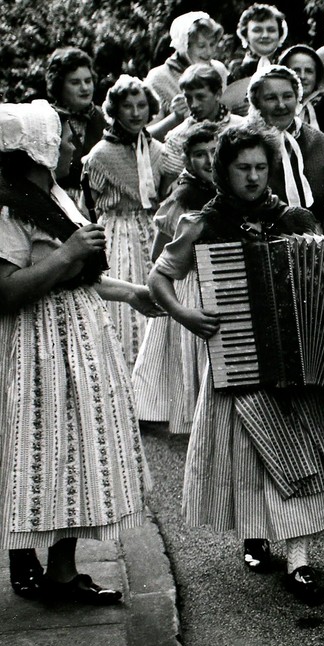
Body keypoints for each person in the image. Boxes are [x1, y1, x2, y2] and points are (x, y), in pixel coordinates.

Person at [147, 124, 324, 606]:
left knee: (301, 453)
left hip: (298, 360)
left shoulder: (291, 218)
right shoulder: (203, 223)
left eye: (261, 167)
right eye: (243, 168)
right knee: (251, 455)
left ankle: (299, 559)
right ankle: (254, 535)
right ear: (224, 170)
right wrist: (184, 313)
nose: (253, 177)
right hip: (238, 357)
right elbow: (160, 278)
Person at [0, 100, 154, 605]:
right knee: (41, 453)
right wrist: (66, 254)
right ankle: (32, 563)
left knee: (73, 457)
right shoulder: (8, 208)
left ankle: (63, 575)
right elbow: (6, 290)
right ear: (36, 151)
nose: (71, 146)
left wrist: (131, 291)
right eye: (62, 139)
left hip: (79, 342)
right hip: (37, 347)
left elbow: (80, 277)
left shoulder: (58, 195)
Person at [132, 122, 219, 434]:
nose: (209, 160)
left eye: (215, 151)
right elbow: (160, 254)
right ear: (188, 162)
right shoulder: (183, 197)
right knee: (184, 354)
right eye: (200, 155)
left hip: (219, 278)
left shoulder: (228, 190)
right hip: (188, 281)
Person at [82, 75, 165, 367]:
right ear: (115, 110)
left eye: (141, 105)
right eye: (127, 106)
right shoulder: (101, 154)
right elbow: (85, 206)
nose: (135, 112)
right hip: (116, 232)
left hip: (151, 229)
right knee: (124, 303)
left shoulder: (157, 150)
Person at [246, 65, 324, 226]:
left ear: (297, 98)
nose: (281, 105)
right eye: (271, 98)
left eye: (287, 96)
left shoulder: (315, 140)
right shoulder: (242, 142)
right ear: (256, 103)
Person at [159, 63, 244, 191]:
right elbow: (169, 190)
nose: (193, 105)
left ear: (218, 94)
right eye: (188, 98)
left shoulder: (242, 127)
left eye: (200, 97)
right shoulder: (177, 136)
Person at [145, 11, 228, 138]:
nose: (209, 52)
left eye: (212, 44)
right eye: (201, 46)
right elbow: (147, 135)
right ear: (183, 45)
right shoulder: (158, 77)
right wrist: (175, 118)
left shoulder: (218, 69)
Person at [45, 47, 107, 214]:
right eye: (75, 82)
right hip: (60, 205)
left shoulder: (105, 118)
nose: (84, 88)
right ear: (60, 85)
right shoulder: (48, 120)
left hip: (103, 207)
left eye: (88, 81)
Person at [225, 3, 290, 116]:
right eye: (257, 30)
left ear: (280, 35)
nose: (265, 35)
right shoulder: (237, 71)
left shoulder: (289, 64)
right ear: (246, 35)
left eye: (271, 30)